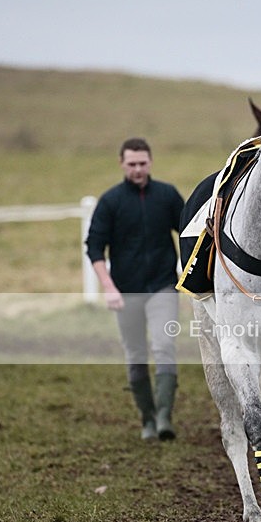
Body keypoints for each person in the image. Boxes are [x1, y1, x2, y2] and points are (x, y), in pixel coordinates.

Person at [86, 137, 184, 441]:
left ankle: (164, 416)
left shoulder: (167, 195)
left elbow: (188, 232)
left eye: (142, 163)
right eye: (132, 164)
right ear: (122, 164)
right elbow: (94, 248)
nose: (138, 169)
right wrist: (109, 287)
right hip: (125, 291)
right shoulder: (110, 202)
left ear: (150, 162)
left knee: (164, 346)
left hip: (163, 286)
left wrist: (191, 276)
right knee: (136, 355)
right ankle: (148, 419)